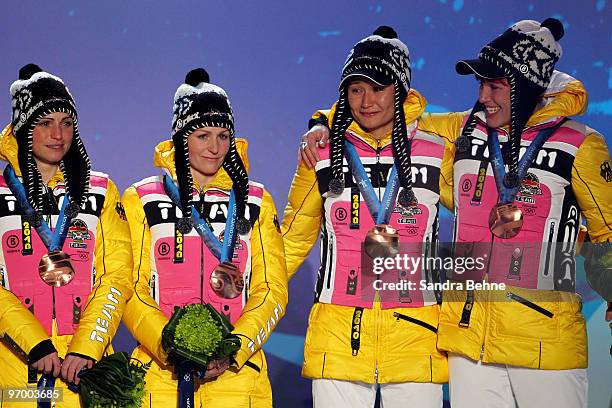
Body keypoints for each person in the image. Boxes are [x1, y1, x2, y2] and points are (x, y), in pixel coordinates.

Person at [435, 18, 611, 408]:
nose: (483, 97)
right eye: (480, 84)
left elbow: (607, 231)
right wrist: (323, 124)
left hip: (545, 343)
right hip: (469, 343)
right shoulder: (464, 128)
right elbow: (391, 119)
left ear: (528, 86)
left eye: (495, 86)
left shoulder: (579, 143)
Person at [282, 27, 448, 407]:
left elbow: (481, 209)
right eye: (356, 89)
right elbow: (292, 239)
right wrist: (245, 290)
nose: (366, 101)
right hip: (338, 338)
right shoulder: (323, 153)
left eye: (378, 88)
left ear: (400, 91)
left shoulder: (438, 150)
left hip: (417, 337)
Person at [121, 68, 288, 407]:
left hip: (238, 380)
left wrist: (234, 347)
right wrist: (170, 346)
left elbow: (271, 291)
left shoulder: (255, 199)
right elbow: (131, 289)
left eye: (223, 135)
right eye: (202, 135)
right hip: (160, 377)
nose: (215, 148)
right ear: (181, 137)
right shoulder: (141, 198)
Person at [0, 64, 133, 406]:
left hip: (87, 372)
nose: (58, 134)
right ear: (23, 128)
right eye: (45, 123)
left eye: (66, 123)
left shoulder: (101, 191)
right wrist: (34, 342)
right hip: (14, 373)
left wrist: (88, 346)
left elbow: (116, 277)